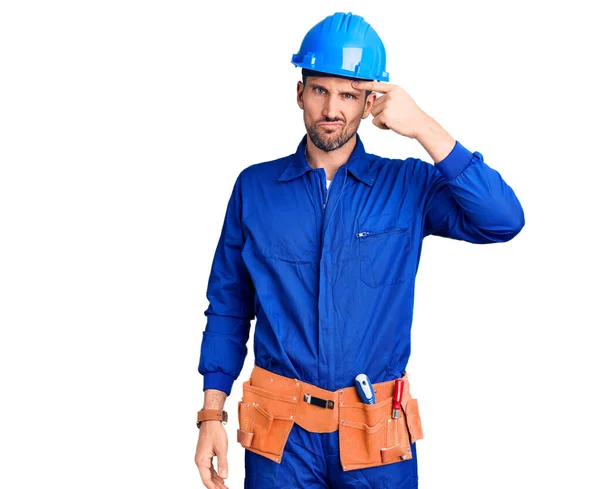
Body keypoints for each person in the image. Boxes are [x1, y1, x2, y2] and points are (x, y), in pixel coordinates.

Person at [194, 11, 525, 489]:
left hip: (377, 440)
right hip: (281, 441)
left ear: (372, 101)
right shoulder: (256, 188)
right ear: (299, 93)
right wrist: (210, 414)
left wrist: (424, 127)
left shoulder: (409, 186)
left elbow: (503, 220)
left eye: (349, 94)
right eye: (320, 90)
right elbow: (227, 307)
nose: (333, 109)